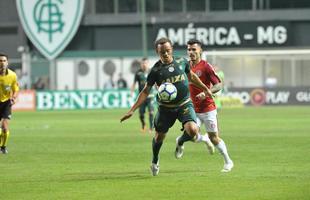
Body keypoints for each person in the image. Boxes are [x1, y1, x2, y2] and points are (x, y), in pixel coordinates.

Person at [120, 37, 213, 176]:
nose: (165, 54)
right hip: (165, 109)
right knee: (159, 138)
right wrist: (132, 110)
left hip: (184, 104)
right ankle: (155, 161)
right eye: (162, 52)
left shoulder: (182, 62)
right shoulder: (155, 71)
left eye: (168, 51)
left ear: (172, 50)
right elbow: (145, 91)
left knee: (193, 130)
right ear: (157, 52)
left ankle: (180, 141)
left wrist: (205, 88)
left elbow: (192, 77)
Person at [178, 39, 233, 172]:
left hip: (207, 108)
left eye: (194, 49)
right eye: (189, 49)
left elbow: (219, 85)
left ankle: (228, 161)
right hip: (191, 108)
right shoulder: (184, 66)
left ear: (200, 51)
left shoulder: (206, 66)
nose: (191, 52)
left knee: (214, 138)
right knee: (191, 133)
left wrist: (206, 93)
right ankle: (180, 141)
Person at [0, 53, 19, 154]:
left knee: (5, 127)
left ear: (7, 63)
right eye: (0, 61)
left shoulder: (12, 75)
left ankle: (3, 147)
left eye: (4, 61)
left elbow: (15, 89)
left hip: (6, 102)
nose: (2, 63)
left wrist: (14, 97)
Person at [130, 58, 155, 133]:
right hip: (142, 97)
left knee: (151, 112)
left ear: (148, 63)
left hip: (150, 96)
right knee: (141, 114)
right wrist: (132, 91)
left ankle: (151, 128)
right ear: (141, 64)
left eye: (145, 63)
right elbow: (134, 83)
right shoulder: (138, 73)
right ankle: (143, 124)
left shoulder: (151, 71)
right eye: (143, 63)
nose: (144, 64)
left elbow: (156, 81)